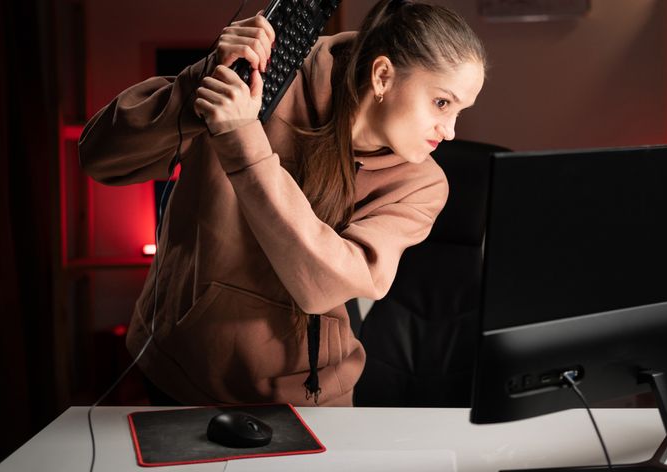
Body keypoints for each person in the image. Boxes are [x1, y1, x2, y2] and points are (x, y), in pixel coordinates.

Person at [79, 0, 486, 407]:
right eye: (442, 103)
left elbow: (326, 285)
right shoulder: (268, 75)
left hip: (309, 397)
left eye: (460, 111)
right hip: (181, 371)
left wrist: (242, 140)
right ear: (383, 76)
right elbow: (100, 157)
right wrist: (208, 79)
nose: (449, 132)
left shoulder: (422, 184)